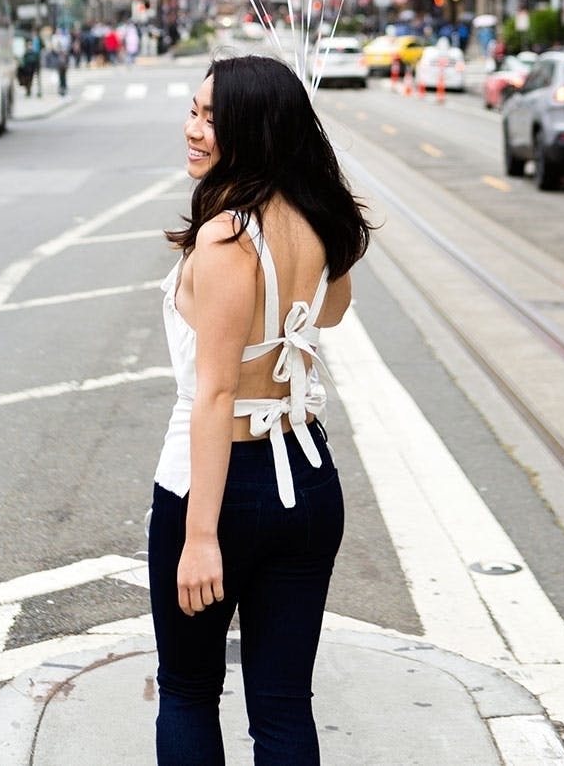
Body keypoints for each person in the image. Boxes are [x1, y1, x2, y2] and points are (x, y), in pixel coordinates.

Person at [148, 55, 372, 765]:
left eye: (214, 118)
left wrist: (200, 535)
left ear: (255, 129)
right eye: (193, 110)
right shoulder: (314, 221)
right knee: (282, 706)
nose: (194, 129)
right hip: (308, 481)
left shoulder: (224, 240)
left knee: (187, 689)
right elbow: (330, 313)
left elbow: (215, 395)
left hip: (220, 485)